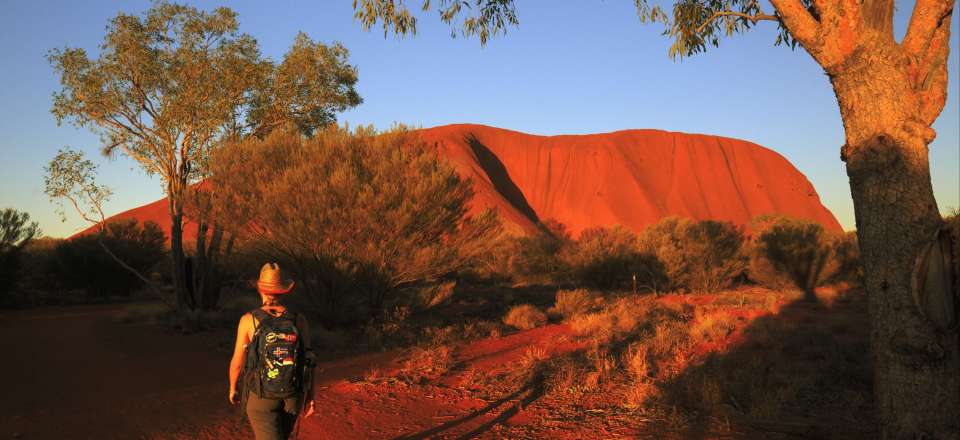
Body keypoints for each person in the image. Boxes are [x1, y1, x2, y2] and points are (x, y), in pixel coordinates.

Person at [229, 263, 316, 440]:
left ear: (260, 289)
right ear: (284, 290)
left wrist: (233, 388)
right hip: (293, 394)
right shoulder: (299, 320)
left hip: (261, 397)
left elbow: (237, 362)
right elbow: (309, 360)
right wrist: (310, 396)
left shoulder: (249, 320)